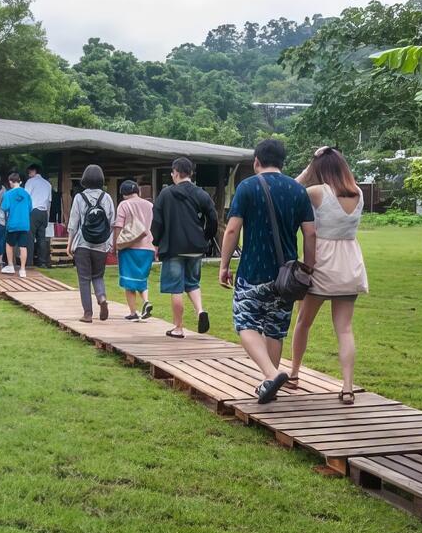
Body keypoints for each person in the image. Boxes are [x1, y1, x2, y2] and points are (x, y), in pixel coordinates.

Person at [218, 138, 316, 404]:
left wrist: (225, 264)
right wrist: (308, 267)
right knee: (274, 328)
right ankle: (268, 383)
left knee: (245, 322)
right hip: (288, 275)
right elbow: (310, 232)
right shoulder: (298, 191)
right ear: (283, 162)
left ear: (256, 161)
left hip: (253, 269)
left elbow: (231, 229)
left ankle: (271, 375)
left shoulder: (247, 187)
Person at [289, 147, 368, 404]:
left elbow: (288, 188)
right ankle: (347, 387)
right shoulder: (359, 193)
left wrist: (310, 164)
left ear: (320, 170)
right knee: (345, 330)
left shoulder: (317, 192)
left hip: (322, 264)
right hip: (350, 266)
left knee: (303, 322)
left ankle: (294, 373)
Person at [151, 157, 218, 339]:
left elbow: (157, 221)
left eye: (172, 173)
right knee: (193, 283)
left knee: (176, 287)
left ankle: (178, 328)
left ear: (177, 173)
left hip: (173, 247)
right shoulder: (201, 194)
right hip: (196, 246)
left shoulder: (165, 195)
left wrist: (156, 242)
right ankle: (200, 310)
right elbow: (213, 218)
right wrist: (205, 237)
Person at [67, 164, 115, 322]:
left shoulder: (79, 197)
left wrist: (69, 243)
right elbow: (111, 222)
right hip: (101, 244)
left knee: (84, 278)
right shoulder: (106, 197)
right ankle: (101, 298)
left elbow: (73, 223)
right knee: (98, 275)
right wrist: (109, 243)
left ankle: (88, 314)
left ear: (85, 179)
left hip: (83, 243)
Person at [113, 179, 155, 321]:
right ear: (138, 191)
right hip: (148, 247)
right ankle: (146, 301)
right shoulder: (150, 205)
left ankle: (133, 312)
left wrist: (116, 244)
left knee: (129, 280)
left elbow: (118, 226)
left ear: (123, 194)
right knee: (141, 278)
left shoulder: (123, 205)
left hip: (129, 247)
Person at [1, 171, 33, 277]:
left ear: (10, 181)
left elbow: (4, 207)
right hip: (24, 223)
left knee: (9, 244)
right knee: (23, 246)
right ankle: (23, 269)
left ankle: (10, 266)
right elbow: (30, 208)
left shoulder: (8, 194)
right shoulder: (26, 194)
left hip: (13, 223)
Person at [25, 163, 53, 268]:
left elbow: (26, 198)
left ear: (34, 171)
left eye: (29, 172)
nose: (28, 174)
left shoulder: (30, 182)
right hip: (44, 212)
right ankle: (42, 262)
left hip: (33, 211)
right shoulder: (47, 184)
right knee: (42, 238)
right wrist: (47, 215)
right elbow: (49, 202)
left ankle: (29, 262)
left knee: (30, 237)